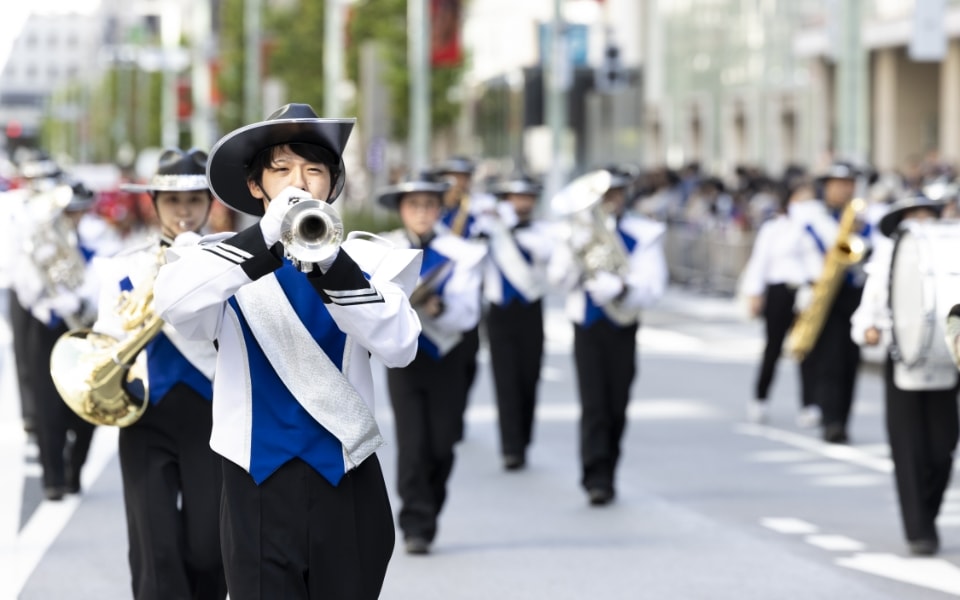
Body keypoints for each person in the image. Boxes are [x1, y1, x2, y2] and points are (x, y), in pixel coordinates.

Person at [153, 103, 422, 599]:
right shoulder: (217, 259)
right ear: (257, 187)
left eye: (314, 170)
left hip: (347, 476)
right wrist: (264, 239)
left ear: (333, 184)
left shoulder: (370, 258)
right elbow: (174, 303)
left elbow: (402, 346)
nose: (299, 182)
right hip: (254, 483)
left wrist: (331, 265)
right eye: (281, 170)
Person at [92, 148, 226, 599]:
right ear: (154, 203)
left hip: (213, 415)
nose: (183, 211)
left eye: (193, 200)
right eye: (172, 201)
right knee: (155, 547)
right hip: (144, 414)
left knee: (209, 547)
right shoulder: (125, 266)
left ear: (210, 203)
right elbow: (106, 334)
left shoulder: (227, 262)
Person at [376, 172, 486, 555]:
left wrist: (438, 307)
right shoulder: (385, 250)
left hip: (447, 353)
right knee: (411, 443)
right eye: (413, 205)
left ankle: (430, 506)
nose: (421, 213)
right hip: (404, 359)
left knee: (442, 443)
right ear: (402, 210)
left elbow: (468, 313)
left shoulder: (463, 252)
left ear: (439, 209)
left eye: (428, 205)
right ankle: (414, 523)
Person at [547, 167, 668, 506]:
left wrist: (623, 286)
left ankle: (609, 468)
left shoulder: (644, 233)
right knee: (594, 403)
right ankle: (595, 477)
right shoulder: (574, 232)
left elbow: (655, 285)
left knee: (617, 403)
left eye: (616, 193)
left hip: (623, 324)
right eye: (604, 194)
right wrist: (576, 255)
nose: (610, 200)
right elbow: (558, 279)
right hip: (586, 324)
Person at [852, 194, 958, 556]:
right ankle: (919, 530)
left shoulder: (953, 260)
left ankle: (926, 513)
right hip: (903, 364)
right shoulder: (887, 264)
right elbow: (865, 317)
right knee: (909, 451)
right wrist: (869, 331)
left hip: (945, 366)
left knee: (943, 450)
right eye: (913, 216)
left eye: (927, 215)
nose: (921, 222)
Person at [9, 175, 101, 500]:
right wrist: (49, 303)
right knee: (48, 406)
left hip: (83, 327)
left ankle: (74, 470)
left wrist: (83, 298)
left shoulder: (95, 237)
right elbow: (24, 282)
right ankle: (53, 479)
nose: (73, 217)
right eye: (68, 211)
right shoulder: (42, 239)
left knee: (88, 407)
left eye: (78, 210)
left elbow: (105, 275)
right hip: (46, 327)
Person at [477, 173, 553, 470]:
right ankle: (511, 448)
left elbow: (546, 251)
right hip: (500, 311)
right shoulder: (491, 227)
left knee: (529, 377)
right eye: (516, 197)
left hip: (531, 310)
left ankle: (524, 439)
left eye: (527, 197)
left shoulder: (543, 231)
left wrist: (509, 228)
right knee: (505, 379)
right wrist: (494, 222)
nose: (522, 203)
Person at [795, 160, 872, 443]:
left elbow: (868, 253)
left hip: (852, 293)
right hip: (823, 291)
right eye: (838, 184)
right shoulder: (810, 217)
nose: (843, 189)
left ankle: (842, 419)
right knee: (829, 360)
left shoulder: (862, 219)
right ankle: (830, 420)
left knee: (850, 360)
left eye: (848, 184)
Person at [740, 181, 820, 427]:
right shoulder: (774, 228)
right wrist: (754, 293)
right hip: (779, 292)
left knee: (806, 350)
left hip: (806, 292)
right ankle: (760, 398)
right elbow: (760, 261)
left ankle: (809, 404)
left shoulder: (815, 228)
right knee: (773, 348)